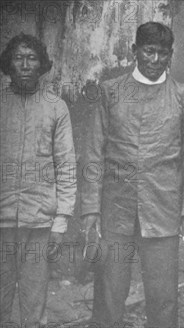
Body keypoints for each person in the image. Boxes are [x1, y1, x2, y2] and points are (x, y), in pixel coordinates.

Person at [80, 22, 184, 328]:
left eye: (163, 53)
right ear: (135, 51)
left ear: (171, 55)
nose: (155, 60)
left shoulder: (183, 96)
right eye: (149, 51)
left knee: (163, 297)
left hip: (163, 209)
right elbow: (94, 153)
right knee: (109, 292)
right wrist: (92, 208)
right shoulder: (110, 92)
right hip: (115, 208)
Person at [0, 33, 77, 327]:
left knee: (33, 305)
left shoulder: (56, 107)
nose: (25, 65)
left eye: (32, 58)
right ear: (8, 64)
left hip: (39, 224)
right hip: (1, 224)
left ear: (42, 65)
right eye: (18, 58)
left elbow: (67, 167)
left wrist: (60, 222)